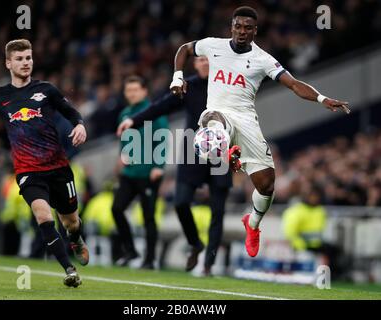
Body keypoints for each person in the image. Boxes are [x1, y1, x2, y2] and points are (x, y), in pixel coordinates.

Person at [169, 6, 351, 258]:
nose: (242, 32)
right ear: (231, 27)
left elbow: (294, 85)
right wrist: (178, 76)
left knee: (267, 185)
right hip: (218, 113)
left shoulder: (263, 59)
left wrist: (321, 98)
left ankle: (252, 223)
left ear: (255, 31)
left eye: (247, 28)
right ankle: (225, 152)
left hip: (247, 122)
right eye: (238, 26)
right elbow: (184, 49)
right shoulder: (213, 45)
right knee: (212, 128)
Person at [0, 39, 89, 287]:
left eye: (28, 58)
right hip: (28, 171)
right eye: (20, 59)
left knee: (71, 221)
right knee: (43, 215)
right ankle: (69, 269)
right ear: (8, 63)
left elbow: (71, 112)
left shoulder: (46, 90)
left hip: (57, 167)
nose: (25, 63)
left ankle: (76, 237)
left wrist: (80, 125)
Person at [117, 57, 232, 276]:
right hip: (193, 152)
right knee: (180, 203)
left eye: (208, 59)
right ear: (195, 64)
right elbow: (162, 106)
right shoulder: (187, 86)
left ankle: (208, 265)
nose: (205, 63)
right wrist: (134, 121)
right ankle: (195, 243)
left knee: (218, 211)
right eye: (200, 59)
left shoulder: (226, 86)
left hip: (221, 152)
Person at [112, 75, 168, 269]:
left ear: (144, 91)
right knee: (116, 209)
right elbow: (124, 140)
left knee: (148, 217)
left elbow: (162, 139)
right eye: (129, 90)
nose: (132, 94)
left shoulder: (154, 112)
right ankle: (131, 250)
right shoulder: (125, 114)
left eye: (135, 90)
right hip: (130, 172)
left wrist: (158, 167)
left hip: (148, 173)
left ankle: (150, 259)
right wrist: (122, 157)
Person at [282, 184, 346, 279]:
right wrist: (300, 245)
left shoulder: (320, 211)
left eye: (316, 196)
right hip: (303, 246)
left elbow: (319, 231)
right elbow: (290, 233)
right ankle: (326, 277)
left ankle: (333, 276)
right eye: (312, 196)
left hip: (316, 245)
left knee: (334, 251)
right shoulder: (297, 211)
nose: (314, 199)